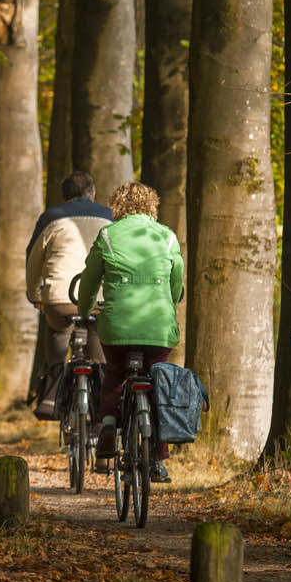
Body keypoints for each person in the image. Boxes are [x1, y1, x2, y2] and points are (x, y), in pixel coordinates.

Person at [73, 180, 185, 482]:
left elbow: (89, 280)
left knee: (115, 373)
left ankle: (109, 423)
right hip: (158, 326)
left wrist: (84, 310)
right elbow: (176, 283)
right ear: (152, 205)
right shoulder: (166, 237)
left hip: (117, 325)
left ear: (118, 205)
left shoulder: (108, 236)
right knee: (158, 382)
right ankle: (158, 459)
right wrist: (169, 303)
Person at [23, 172, 114, 402]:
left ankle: (51, 395)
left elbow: (33, 259)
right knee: (99, 346)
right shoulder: (110, 217)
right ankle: (104, 403)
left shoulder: (50, 218)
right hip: (100, 299)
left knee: (58, 333)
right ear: (93, 193)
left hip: (60, 299)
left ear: (64, 196)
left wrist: (35, 295)